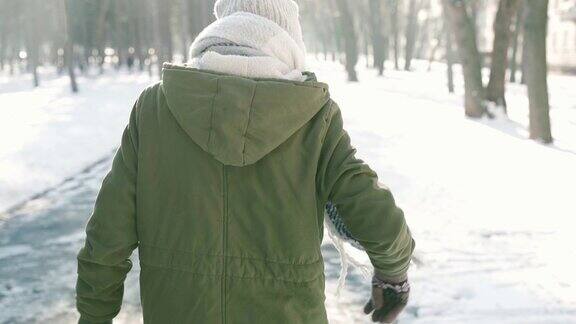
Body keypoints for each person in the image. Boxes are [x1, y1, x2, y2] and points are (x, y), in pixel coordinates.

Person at [75, 0, 415, 323]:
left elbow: (107, 237)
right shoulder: (313, 118)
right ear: (288, 35)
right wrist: (394, 275)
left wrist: (95, 316)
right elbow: (378, 219)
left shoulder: (154, 110)